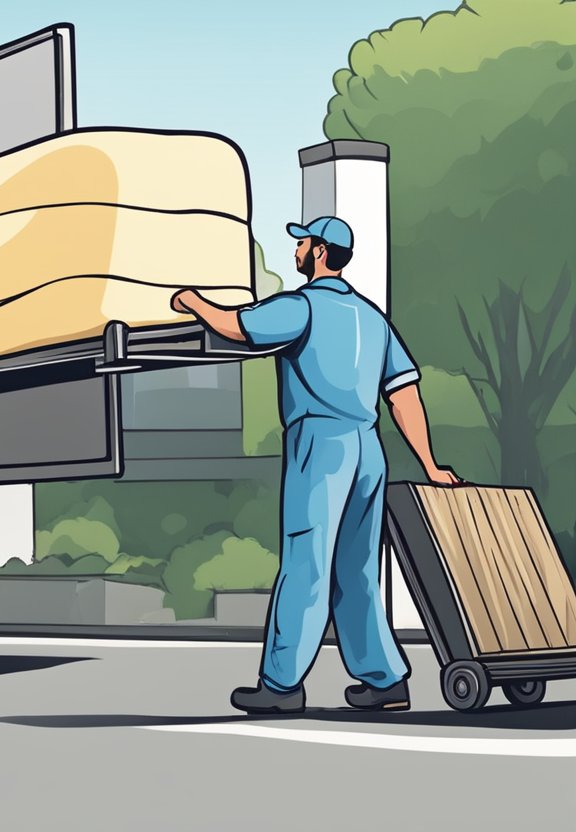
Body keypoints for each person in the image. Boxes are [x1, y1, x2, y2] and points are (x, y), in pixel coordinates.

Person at [170, 216, 460, 714]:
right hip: (368, 449)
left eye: (302, 242)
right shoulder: (372, 318)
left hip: (320, 444)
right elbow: (403, 394)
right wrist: (430, 464)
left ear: (321, 252)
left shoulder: (301, 307)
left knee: (307, 560)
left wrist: (192, 301)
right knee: (358, 566)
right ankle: (385, 678)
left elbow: (238, 326)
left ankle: (281, 686)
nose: (297, 250)